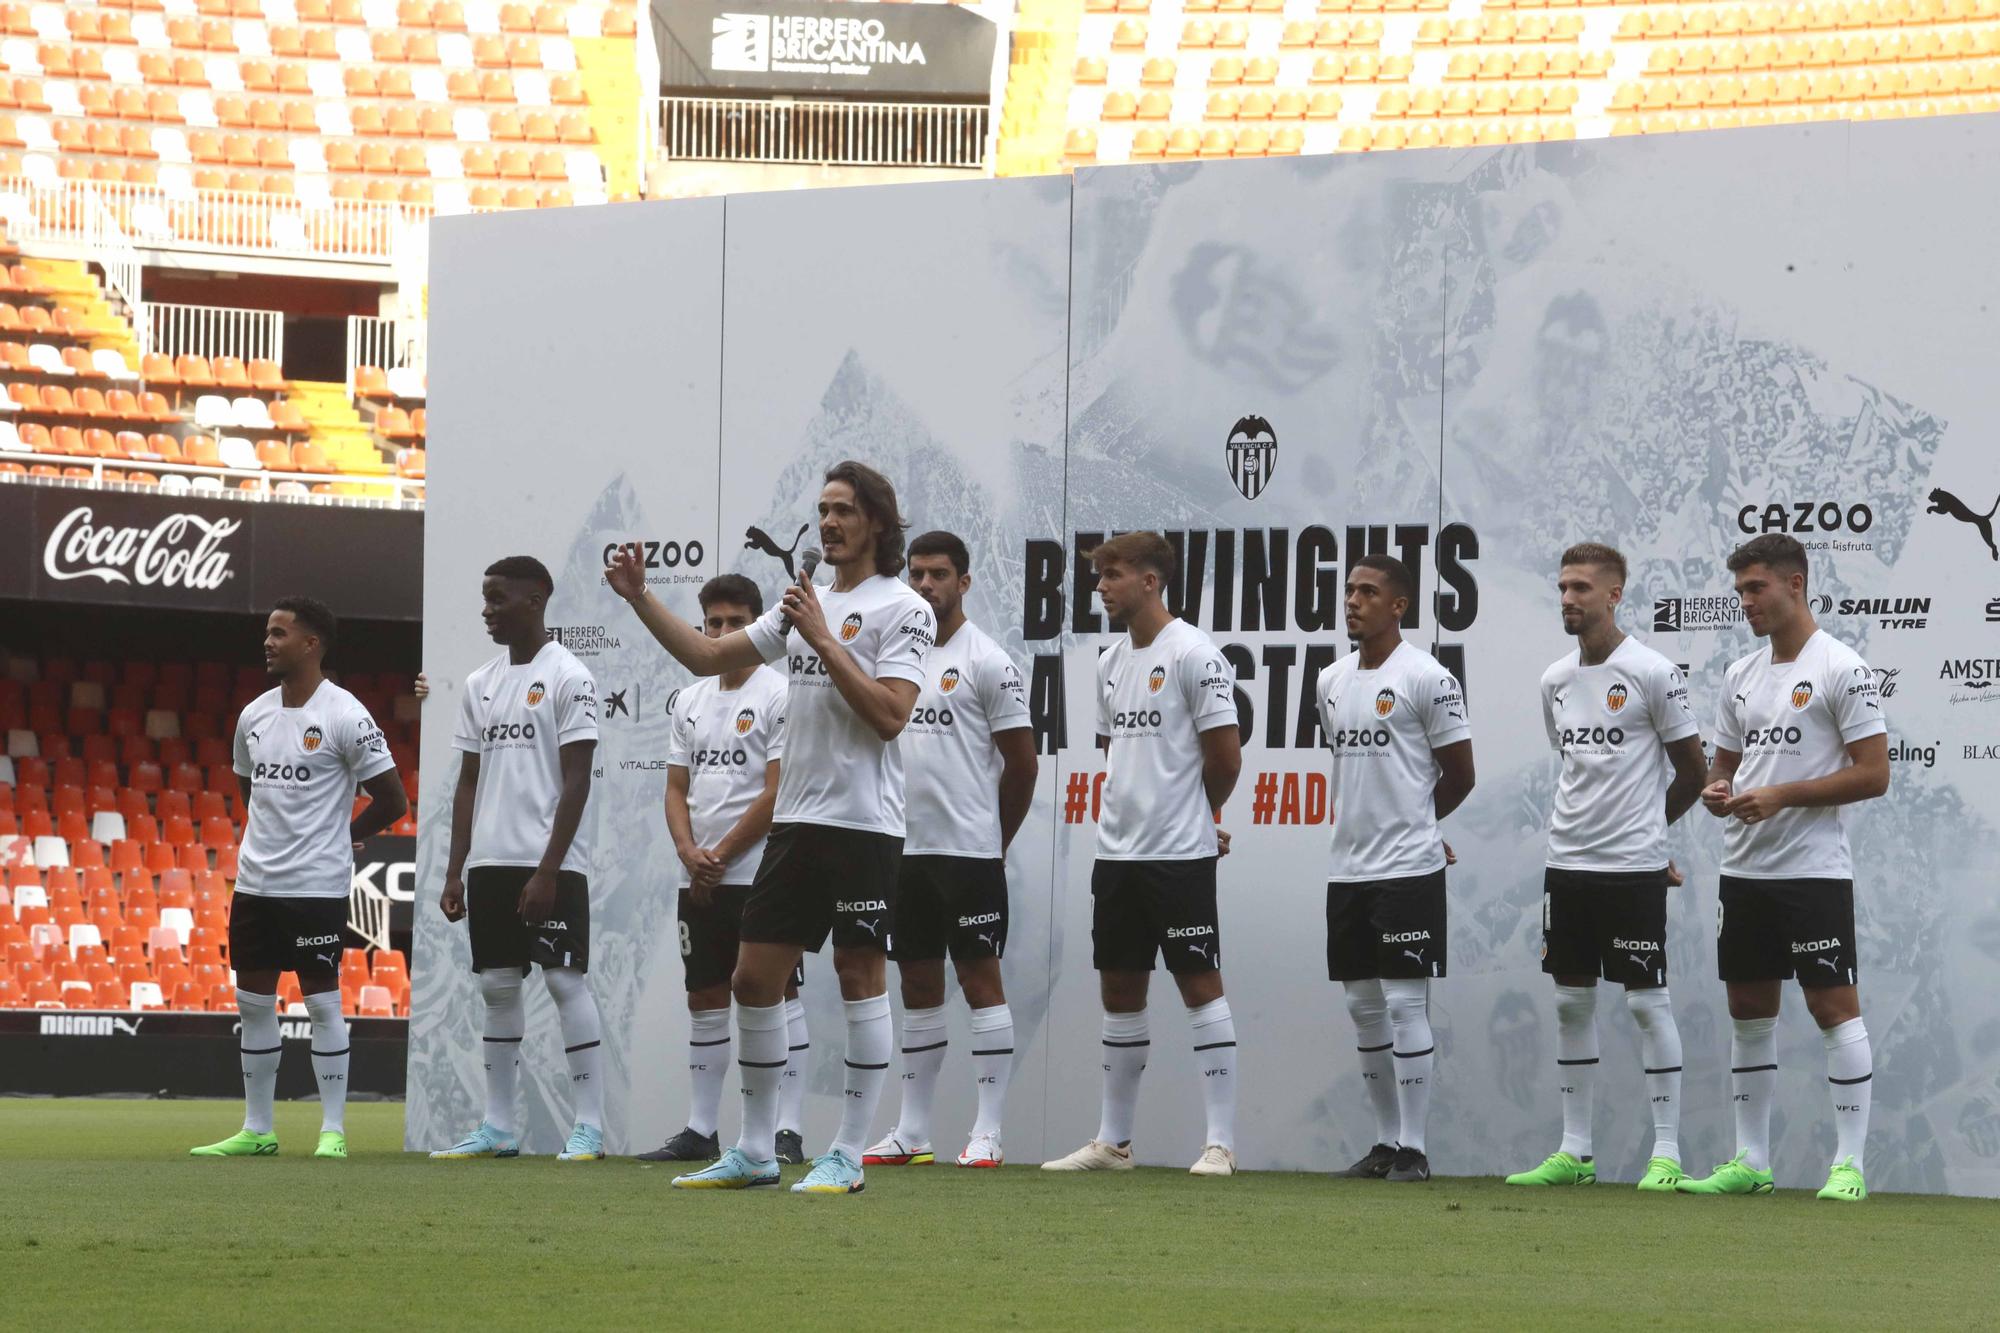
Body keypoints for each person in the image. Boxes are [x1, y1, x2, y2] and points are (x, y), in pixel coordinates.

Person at [611, 460, 935, 1196]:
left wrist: (823, 638)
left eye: (844, 509)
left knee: (858, 975)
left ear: (877, 522)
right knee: (751, 980)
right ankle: (755, 1148)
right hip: (795, 824)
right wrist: (640, 600)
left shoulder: (901, 607)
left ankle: (848, 1153)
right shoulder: (803, 601)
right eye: (822, 508)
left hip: (861, 826)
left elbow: (889, 716)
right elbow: (706, 654)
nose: (828, 521)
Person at [1678, 534, 1888, 1203]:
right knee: (1747, 1009)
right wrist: (1717, 791)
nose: (1746, 602)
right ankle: (1752, 1159)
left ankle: (1849, 1164)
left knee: (1832, 1006)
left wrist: (1781, 795)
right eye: (1740, 590)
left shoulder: (1841, 667)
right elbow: (1724, 767)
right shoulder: (1740, 674)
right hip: (1745, 871)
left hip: (1814, 871)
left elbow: (1874, 774)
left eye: (1755, 588)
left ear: (1795, 583)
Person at [1505, 543, 1706, 1192]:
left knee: (1648, 1004)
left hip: (1631, 869)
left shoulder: (1651, 671)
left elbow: (1694, 772)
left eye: (1581, 588)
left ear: (1614, 594)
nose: (1568, 598)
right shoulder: (1554, 680)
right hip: (1566, 864)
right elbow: (1572, 769)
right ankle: (1575, 1150)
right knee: (1570, 1002)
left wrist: (1649, 833)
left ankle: (1667, 1153)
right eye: (1562, 587)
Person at [1042, 531, 1244, 1177]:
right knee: (1120, 987)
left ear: (1151, 580)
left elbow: (1225, 757)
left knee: (1199, 985)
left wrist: (1196, 818)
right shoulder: (1107, 662)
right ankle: (1114, 1142)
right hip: (1117, 855)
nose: (1100, 585)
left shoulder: (1195, 654)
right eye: (1098, 575)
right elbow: (1113, 754)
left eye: (1112, 574)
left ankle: (1220, 1143)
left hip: (1178, 857)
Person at [191, 597, 407, 1159]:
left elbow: (393, 799)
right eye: (267, 631)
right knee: (254, 1005)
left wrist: (345, 833)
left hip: (316, 886)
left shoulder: (346, 715)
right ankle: (258, 1129)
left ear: (311, 645)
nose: (268, 641)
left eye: (280, 633)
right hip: (256, 883)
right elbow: (250, 790)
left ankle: (332, 1130)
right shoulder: (254, 715)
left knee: (322, 1002)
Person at [864, 531, 1037, 1171]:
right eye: (917, 574)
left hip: (968, 854)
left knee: (980, 980)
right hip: (899, 850)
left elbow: (1022, 767)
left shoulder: (989, 660)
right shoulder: (890, 657)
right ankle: (913, 1130)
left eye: (939, 575)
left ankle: (988, 1131)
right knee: (916, 983)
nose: (926, 585)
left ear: (964, 582)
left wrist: (994, 843)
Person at [431, 556, 609, 1163]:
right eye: (485, 598)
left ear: (535, 599)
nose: (487, 609)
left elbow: (578, 779)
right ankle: (499, 1127)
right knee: (498, 988)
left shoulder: (570, 676)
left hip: (551, 863)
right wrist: (456, 869)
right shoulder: (480, 683)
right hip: (489, 865)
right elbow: (466, 783)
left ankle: (589, 1127)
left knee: (563, 981)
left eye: (498, 598)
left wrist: (548, 870)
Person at [637, 574, 809, 1167]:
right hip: (701, 877)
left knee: (778, 992)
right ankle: (701, 1129)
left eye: (736, 622)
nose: (723, 633)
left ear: (759, 626)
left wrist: (724, 855)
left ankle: (787, 1131)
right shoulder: (689, 699)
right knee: (704, 996)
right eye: (713, 623)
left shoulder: (781, 692)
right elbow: (675, 789)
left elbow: (777, 791)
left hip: (763, 872)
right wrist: (689, 852)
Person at [1315, 554, 1474, 1184]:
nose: (1353, 601)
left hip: (1408, 868)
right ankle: (1383, 1143)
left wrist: (1419, 825)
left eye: (1368, 592)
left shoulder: (1428, 678)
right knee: (1362, 1005)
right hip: (1346, 868)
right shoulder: (1329, 679)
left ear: (1399, 605)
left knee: (1407, 1003)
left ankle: (1414, 1147)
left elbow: (1459, 774)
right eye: (1350, 590)